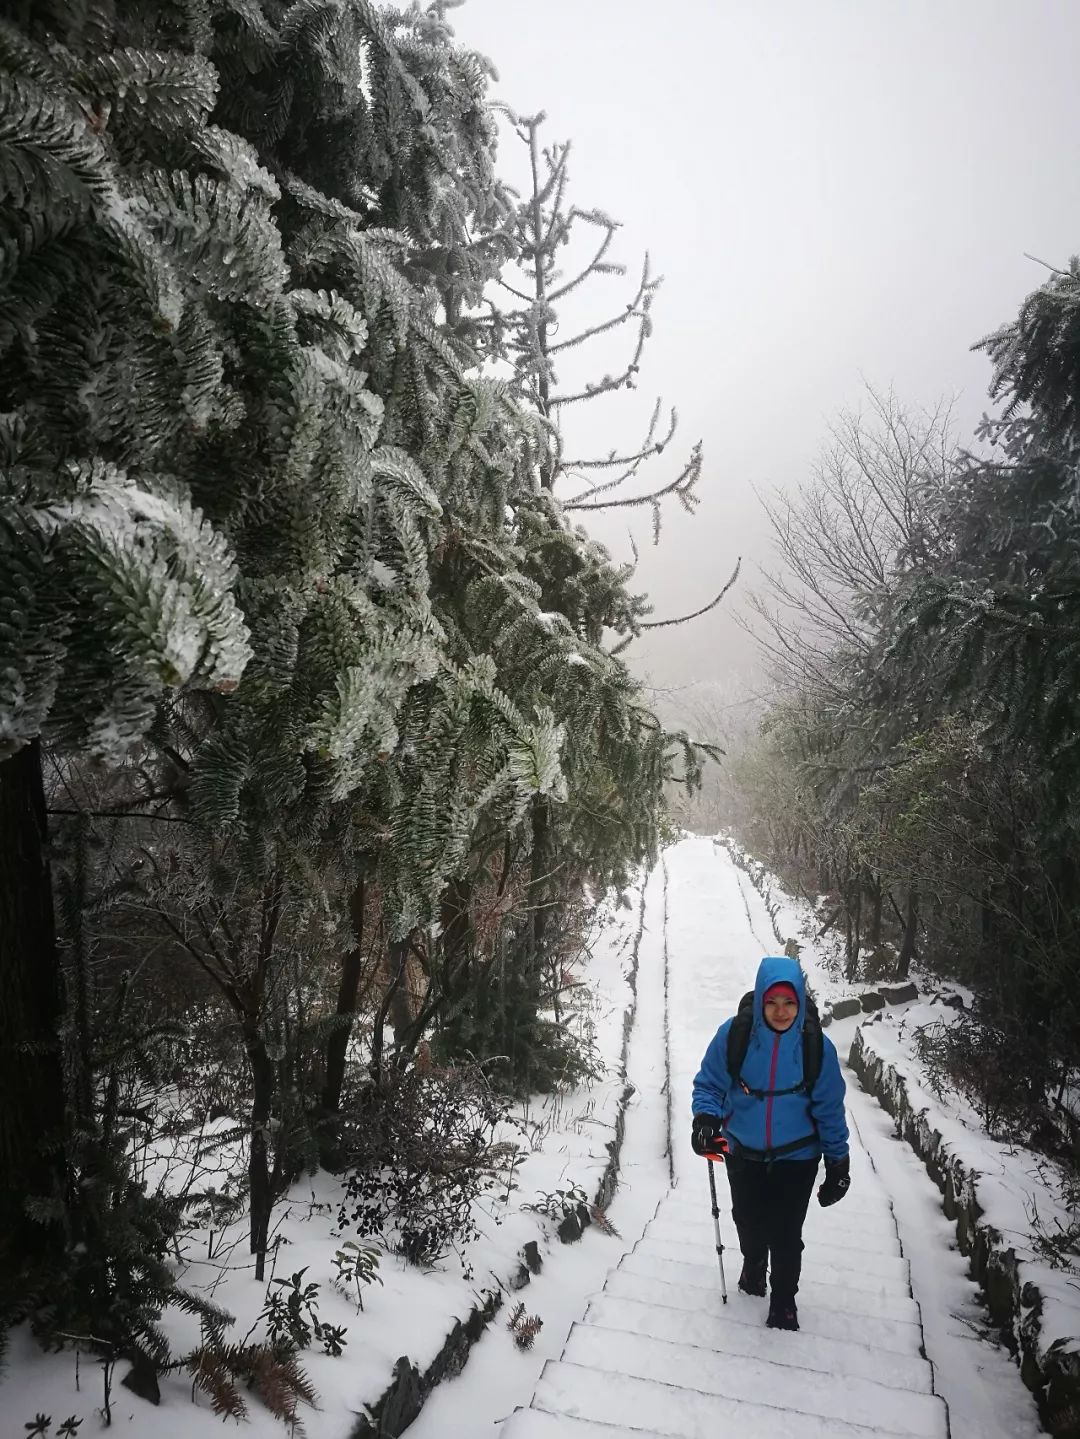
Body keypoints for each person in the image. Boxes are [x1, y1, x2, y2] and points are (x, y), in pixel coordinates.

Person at [690, 955, 850, 1332]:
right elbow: (709, 1084)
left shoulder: (816, 1048)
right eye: (773, 1002)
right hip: (742, 1149)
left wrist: (837, 1162)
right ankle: (753, 1262)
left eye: (790, 1003)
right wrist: (706, 1121)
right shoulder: (734, 1036)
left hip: (799, 1155)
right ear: (761, 999)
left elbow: (830, 1108)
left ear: (801, 1003)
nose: (781, 1012)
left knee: (786, 1231)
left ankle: (783, 1301)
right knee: (746, 1218)